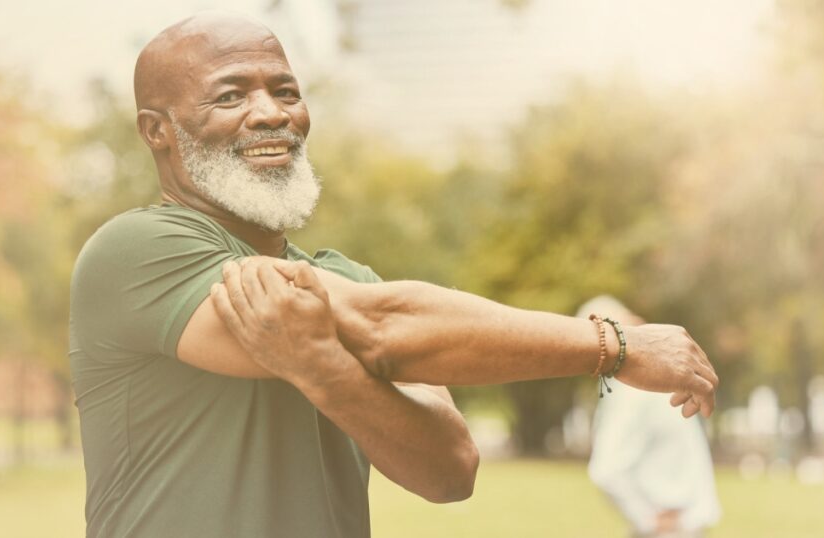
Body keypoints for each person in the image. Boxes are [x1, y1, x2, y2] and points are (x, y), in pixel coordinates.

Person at [69, 12, 719, 538]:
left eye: (285, 90)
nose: (271, 113)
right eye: (232, 95)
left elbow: (450, 470)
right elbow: (382, 327)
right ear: (158, 131)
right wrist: (614, 346)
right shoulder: (135, 250)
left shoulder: (347, 276)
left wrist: (325, 371)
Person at [581, 296, 721, 538]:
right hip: (671, 529)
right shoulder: (633, 392)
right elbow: (606, 470)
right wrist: (647, 519)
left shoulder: (647, 386)